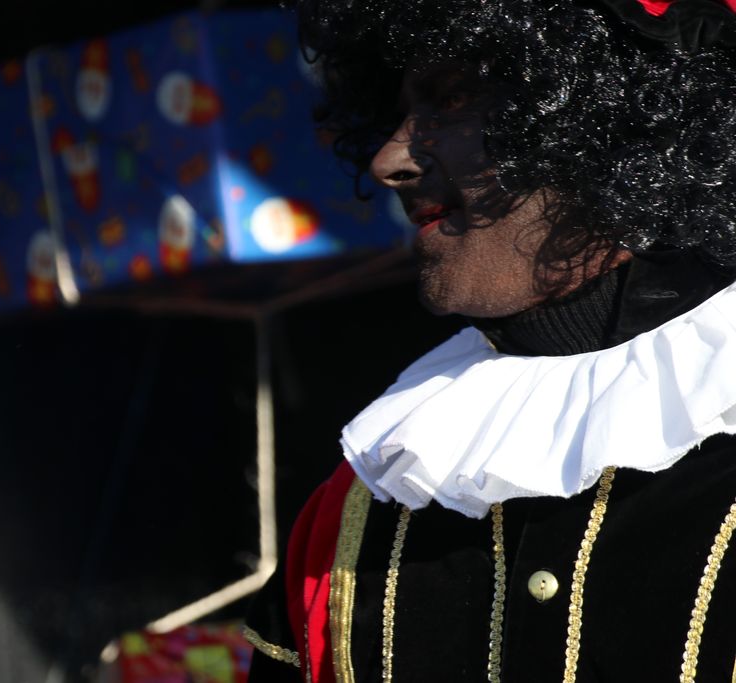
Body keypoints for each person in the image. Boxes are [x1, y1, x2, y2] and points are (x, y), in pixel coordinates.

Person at [243, 0, 736, 680]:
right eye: (395, 115)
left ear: (620, 114)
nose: (388, 160)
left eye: (451, 98)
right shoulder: (355, 508)